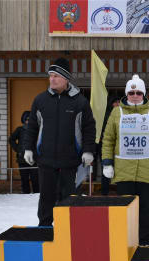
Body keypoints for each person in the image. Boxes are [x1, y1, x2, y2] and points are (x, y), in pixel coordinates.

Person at [23, 58, 96, 226]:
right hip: (46, 159)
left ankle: (67, 230)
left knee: (68, 198)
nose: (52, 79)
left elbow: (89, 128)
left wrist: (88, 150)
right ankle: (44, 227)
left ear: (66, 79)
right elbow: (32, 127)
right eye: (50, 76)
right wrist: (28, 148)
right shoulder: (40, 100)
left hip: (70, 160)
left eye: (56, 76)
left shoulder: (80, 102)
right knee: (46, 197)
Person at [102, 74, 149, 246]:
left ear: (144, 94)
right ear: (126, 94)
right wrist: (107, 162)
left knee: (145, 209)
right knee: (126, 209)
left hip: (147, 170)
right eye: (132, 93)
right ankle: (126, 241)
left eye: (139, 92)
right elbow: (108, 139)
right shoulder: (117, 112)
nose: (135, 96)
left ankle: (145, 241)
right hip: (124, 171)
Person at [9, 111, 39, 194]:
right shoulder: (20, 130)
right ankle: (25, 194)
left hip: (35, 158)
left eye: (30, 119)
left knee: (35, 178)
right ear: (24, 120)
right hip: (22, 158)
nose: (28, 121)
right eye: (27, 119)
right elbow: (11, 139)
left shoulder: (37, 130)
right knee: (24, 178)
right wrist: (18, 149)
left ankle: (37, 194)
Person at [97, 97, 120, 195]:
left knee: (119, 169)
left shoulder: (123, 114)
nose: (118, 104)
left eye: (119, 102)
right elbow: (100, 129)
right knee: (106, 168)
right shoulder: (105, 114)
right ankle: (104, 192)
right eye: (116, 102)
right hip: (106, 145)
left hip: (119, 146)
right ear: (112, 104)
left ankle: (120, 192)